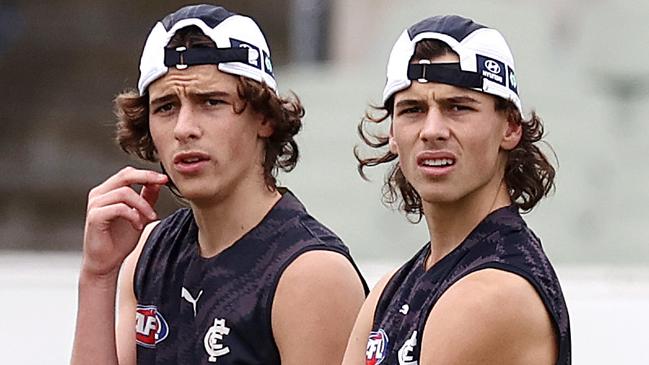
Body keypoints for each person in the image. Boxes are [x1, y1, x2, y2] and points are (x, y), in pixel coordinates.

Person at [71, 4, 368, 365]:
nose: (184, 128)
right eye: (166, 107)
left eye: (211, 102)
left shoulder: (312, 275)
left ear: (265, 118)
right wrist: (98, 276)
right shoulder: (149, 252)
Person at [342, 15, 571, 365]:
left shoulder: (492, 294)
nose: (432, 130)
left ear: (510, 127)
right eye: (413, 110)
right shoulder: (389, 291)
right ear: (392, 133)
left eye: (458, 108)